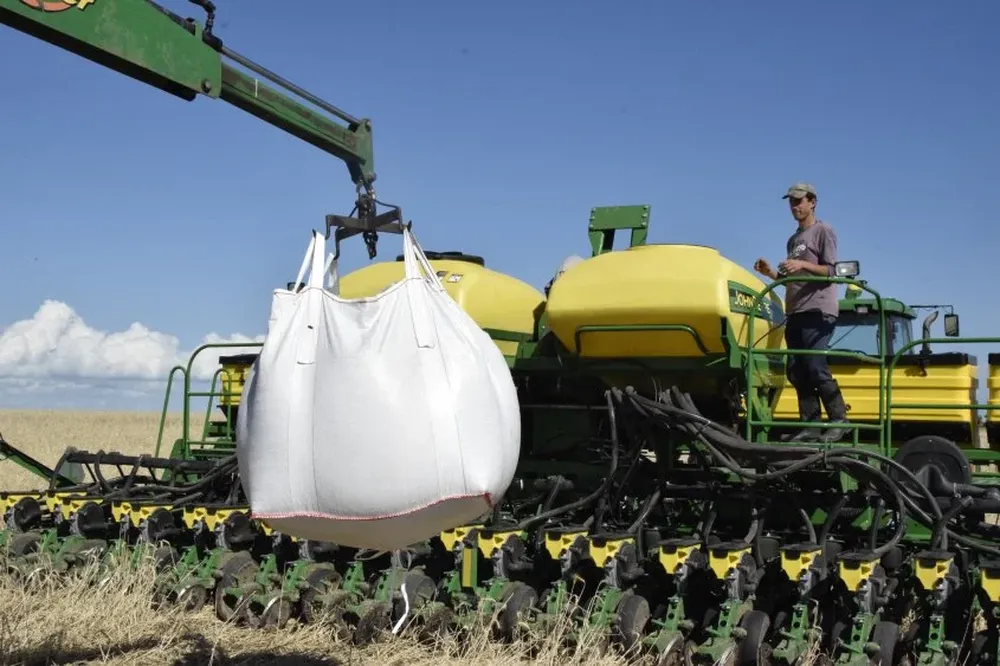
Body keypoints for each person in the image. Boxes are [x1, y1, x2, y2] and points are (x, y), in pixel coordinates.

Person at [753, 182, 849, 443]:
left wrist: (803, 264)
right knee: (796, 370)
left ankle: (840, 419)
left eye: (799, 201)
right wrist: (770, 273)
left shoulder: (823, 231)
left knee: (815, 365)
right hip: (795, 310)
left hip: (818, 309)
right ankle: (811, 425)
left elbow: (831, 271)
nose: (795, 206)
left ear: (812, 202)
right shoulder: (793, 240)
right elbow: (789, 279)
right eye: (791, 202)